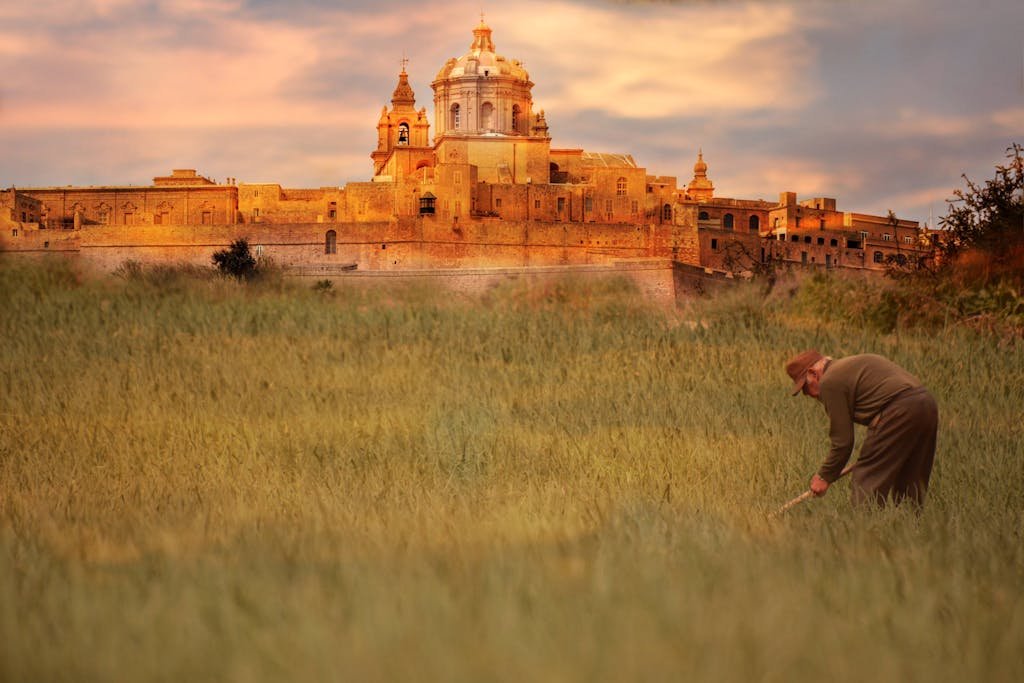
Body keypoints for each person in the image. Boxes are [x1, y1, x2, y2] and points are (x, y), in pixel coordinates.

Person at [785, 349, 938, 507]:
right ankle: (911, 529)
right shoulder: (848, 367)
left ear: (814, 373)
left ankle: (864, 530)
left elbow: (843, 442)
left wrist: (824, 476)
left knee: (866, 483)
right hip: (926, 404)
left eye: (805, 387)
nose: (806, 394)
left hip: (897, 411)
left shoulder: (829, 382)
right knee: (911, 481)